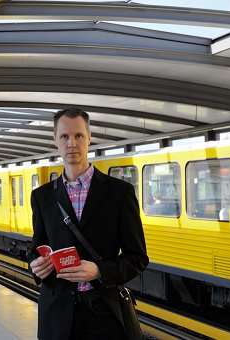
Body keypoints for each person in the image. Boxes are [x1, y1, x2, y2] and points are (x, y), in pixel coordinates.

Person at [28, 107, 149, 340]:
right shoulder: (42, 197)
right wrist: (35, 265)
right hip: (57, 316)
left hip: (105, 315)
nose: (71, 143)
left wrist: (99, 271)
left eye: (78, 136)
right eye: (64, 136)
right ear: (55, 140)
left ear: (89, 138)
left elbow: (138, 257)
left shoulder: (119, 193)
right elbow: (36, 247)